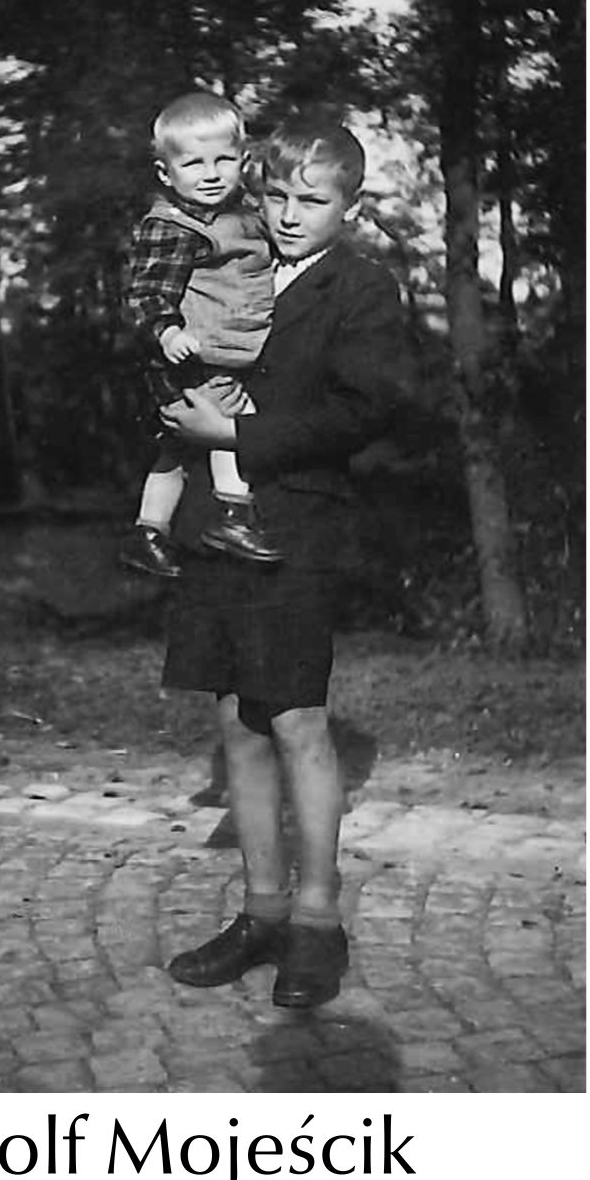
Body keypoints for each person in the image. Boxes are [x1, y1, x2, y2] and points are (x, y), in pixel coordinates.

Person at [158, 107, 406, 1009]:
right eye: (277, 197)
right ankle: (261, 912)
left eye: (313, 201)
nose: (290, 215)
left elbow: (365, 410)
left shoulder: (361, 288)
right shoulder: (233, 260)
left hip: (298, 526)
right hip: (217, 522)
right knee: (237, 723)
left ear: (350, 206)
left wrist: (235, 434)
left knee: (298, 720)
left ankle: (316, 922)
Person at [119, 92, 282, 580]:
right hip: (197, 358)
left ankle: (149, 533)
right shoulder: (174, 227)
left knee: (176, 452)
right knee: (235, 422)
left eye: (223, 161)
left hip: (224, 352)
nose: (210, 174)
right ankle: (235, 516)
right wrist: (167, 332)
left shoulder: (244, 214)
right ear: (166, 173)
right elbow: (146, 293)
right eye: (193, 164)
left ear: (243, 162)